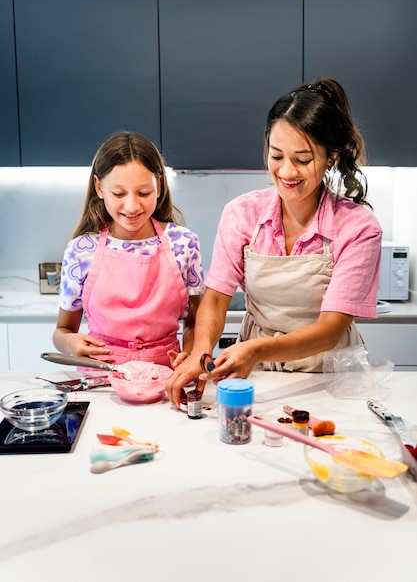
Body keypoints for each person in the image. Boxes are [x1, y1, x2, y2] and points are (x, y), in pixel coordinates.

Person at [167, 77, 382, 406]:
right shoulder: (242, 213)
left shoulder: (357, 227)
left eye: (302, 159)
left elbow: (331, 328)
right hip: (257, 373)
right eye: (276, 155)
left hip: (330, 376)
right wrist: (200, 351)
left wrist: (256, 350)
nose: (286, 171)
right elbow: (215, 298)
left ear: (331, 158)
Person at [53, 131, 204, 368]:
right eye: (119, 193)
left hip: (165, 377)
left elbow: (195, 323)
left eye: (144, 193)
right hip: (100, 378)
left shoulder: (184, 243)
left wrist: (192, 355)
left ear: (160, 186)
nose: (132, 206)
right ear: (99, 188)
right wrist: (71, 343)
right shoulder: (81, 250)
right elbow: (62, 331)